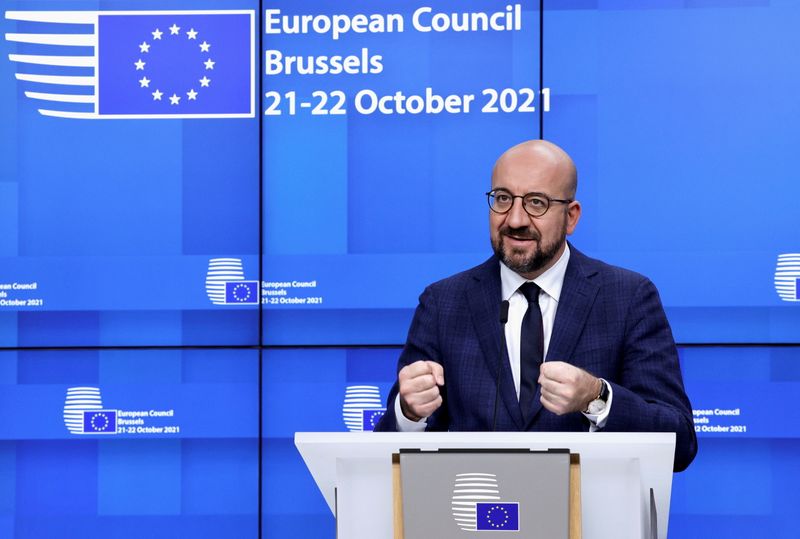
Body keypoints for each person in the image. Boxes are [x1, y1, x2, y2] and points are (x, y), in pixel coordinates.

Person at [374, 140, 697, 472]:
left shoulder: (627, 297)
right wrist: (408, 413)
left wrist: (596, 397)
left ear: (571, 217)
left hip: (589, 520)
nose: (515, 219)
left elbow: (680, 444)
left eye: (536, 203)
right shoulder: (443, 303)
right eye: (502, 199)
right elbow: (387, 462)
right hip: (472, 515)